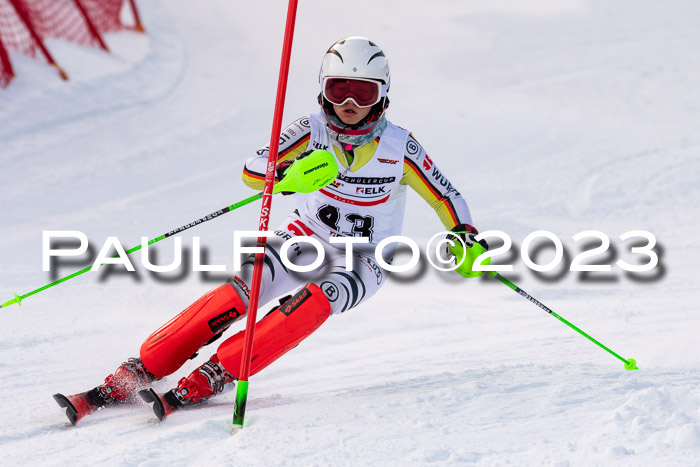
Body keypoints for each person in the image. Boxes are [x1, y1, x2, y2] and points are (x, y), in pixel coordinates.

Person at [53, 36, 488, 425]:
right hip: (304, 235)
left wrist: (463, 234)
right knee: (238, 292)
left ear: (383, 95)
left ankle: (220, 371)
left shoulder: (400, 147)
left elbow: (445, 195)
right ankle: (142, 367)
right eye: (339, 89)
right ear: (323, 89)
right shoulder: (311, 130)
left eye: (363, 91)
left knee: (314, 302)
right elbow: (252, 168)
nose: (350, 102)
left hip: (365, 258)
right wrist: (286, 177)